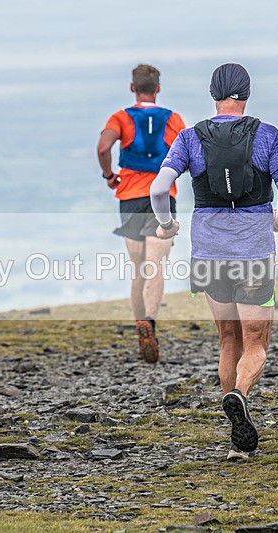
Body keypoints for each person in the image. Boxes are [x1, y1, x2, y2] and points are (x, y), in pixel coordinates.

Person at [150, 64, 278, 459]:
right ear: (247, 93)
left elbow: (159, 187)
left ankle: (236, 436)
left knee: (228, 339)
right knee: (257, 342)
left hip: (208, 253)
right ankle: (239, 395)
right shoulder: (267, 135)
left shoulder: (189, 137)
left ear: (212, 92)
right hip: (253, 254)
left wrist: (166, 225)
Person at [97, 64, 186, 364]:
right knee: (156, 266)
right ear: (158, 89)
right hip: (162, 197)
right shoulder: (173, 119)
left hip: (130, 198)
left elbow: (103, 146)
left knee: (138, 269)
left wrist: (109, 174)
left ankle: (140, 330)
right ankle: (150, 323)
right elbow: (188, 151)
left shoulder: (121, 117)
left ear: (132, 88)